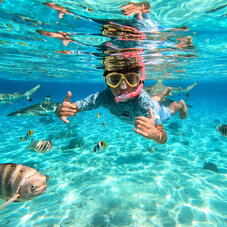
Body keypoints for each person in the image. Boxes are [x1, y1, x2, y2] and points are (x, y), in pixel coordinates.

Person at [55, 48, 187, 145]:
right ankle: (164, 92)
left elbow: (163, 137)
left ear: (139, 81)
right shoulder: (103, 97)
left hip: (155, 111)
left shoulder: (144, 103)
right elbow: (72, 108)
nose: (123, 87)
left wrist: (155, 134)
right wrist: (60, 110)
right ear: (107, 82)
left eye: (131, 79)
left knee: (169, 110)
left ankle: (181, 103)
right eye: (114, 80)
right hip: (150, 104)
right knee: (154, 100)